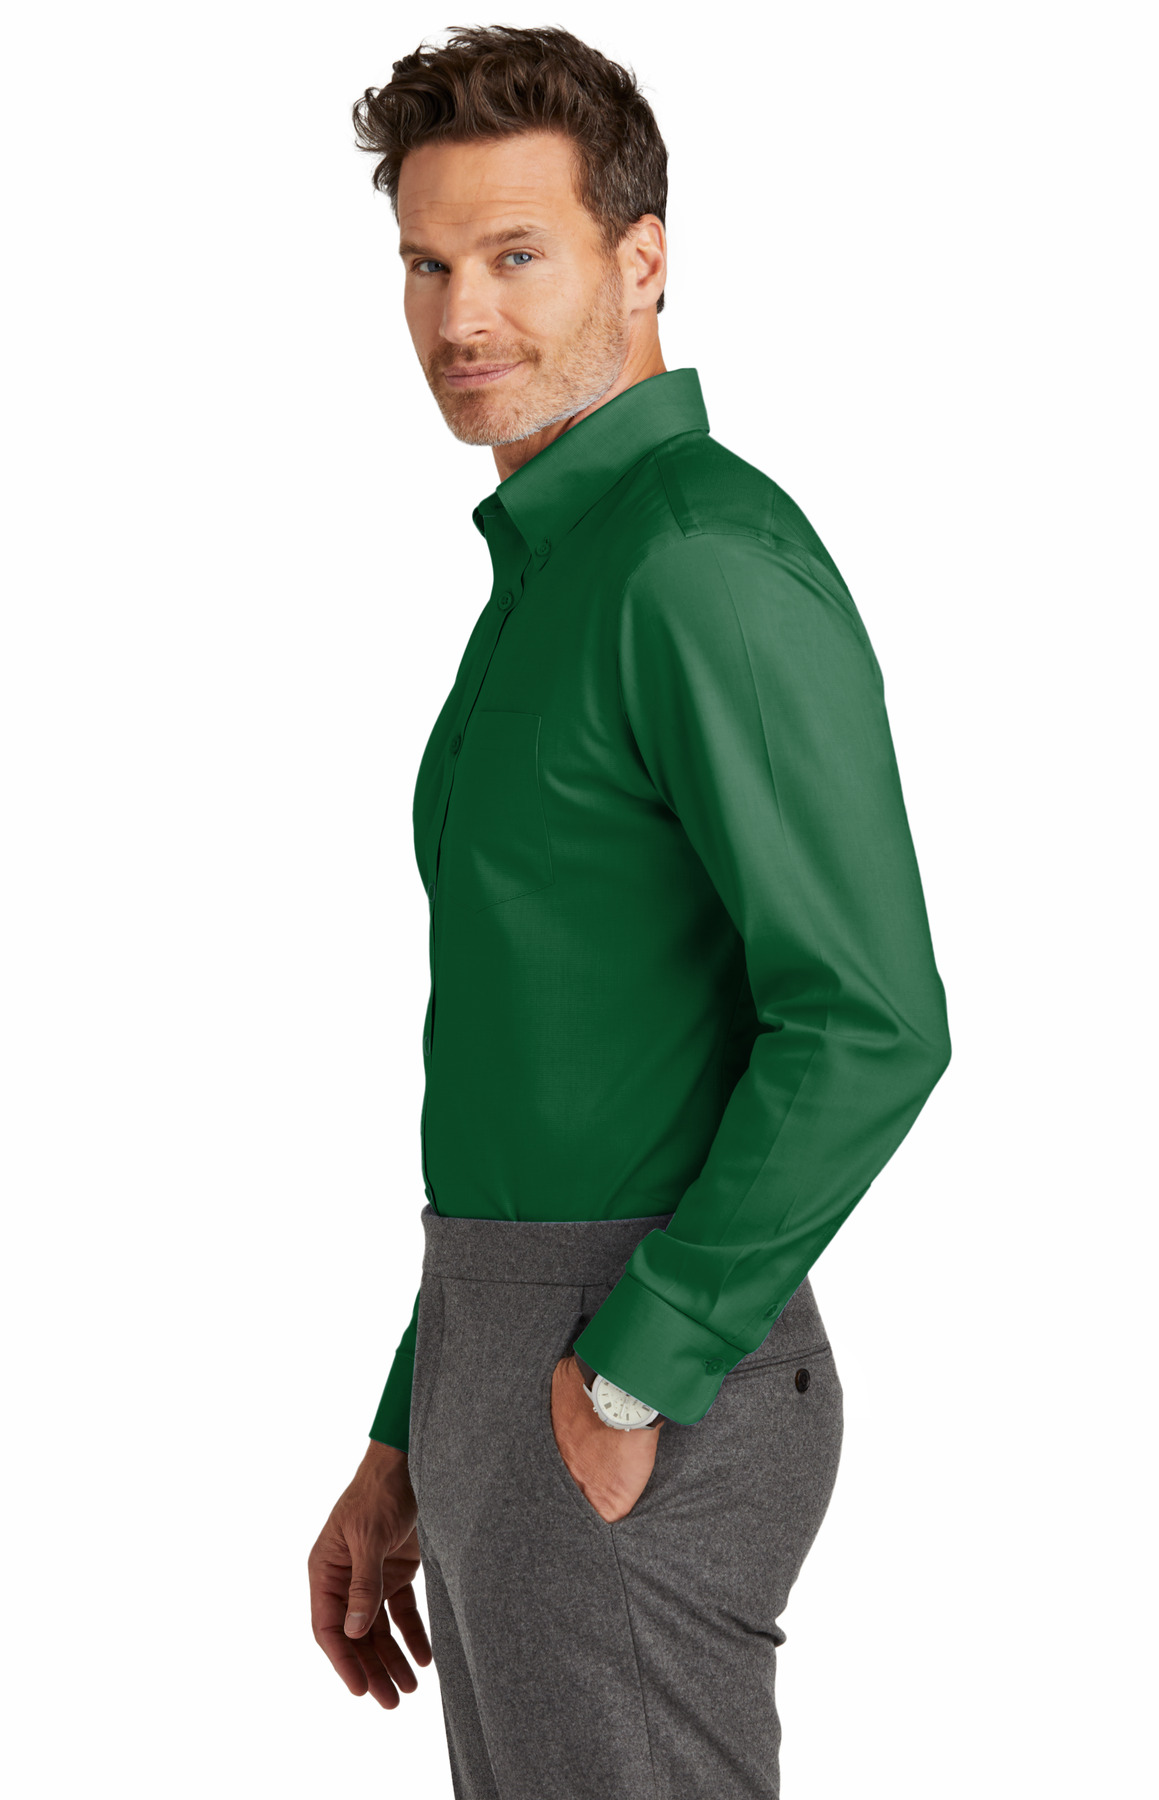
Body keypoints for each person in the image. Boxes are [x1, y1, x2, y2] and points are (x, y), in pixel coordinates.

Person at [308, 24, 951, 1799]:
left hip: (638, 1365)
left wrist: (628, 1377)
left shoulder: (697, 562)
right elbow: (539, 1068)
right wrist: (408, 1433)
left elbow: (871, 1019)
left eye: (517, 255)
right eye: (427, 265)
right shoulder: (554, 572)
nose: (460, 317)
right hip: (510, 1341)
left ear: (643, 258)